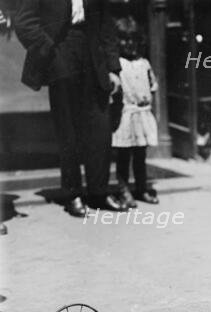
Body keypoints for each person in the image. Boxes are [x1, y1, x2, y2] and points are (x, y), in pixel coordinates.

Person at [13, 0, 127, 216]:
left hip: (93, 54)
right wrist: (48, 49)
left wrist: (113, 68)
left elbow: (106, 24)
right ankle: (72, 194)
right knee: (68, 130)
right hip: (60, 52)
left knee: (100, 127)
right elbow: (23, 22)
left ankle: (98, 193)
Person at [111, 16, 159, 208]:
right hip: (125, 115)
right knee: (124, 156)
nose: (129, 44)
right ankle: (124, 190)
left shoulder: (144, 63)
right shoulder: (117, 64)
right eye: (124, 39)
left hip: (142, 114)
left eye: (133, 40)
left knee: (140, 155)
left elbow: (152, 86)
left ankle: (142, 188)